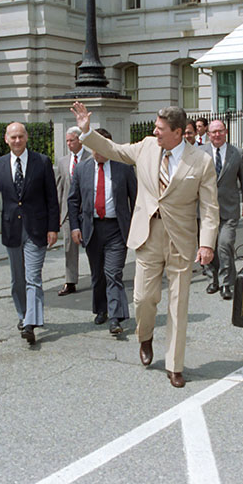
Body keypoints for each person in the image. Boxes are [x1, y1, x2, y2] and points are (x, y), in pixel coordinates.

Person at [71, 102, 219, 389]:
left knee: (178, 306)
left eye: (161, 129)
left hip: (181, 239)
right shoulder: (147, 147)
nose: (155, 132)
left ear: (178, 132)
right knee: (143, 299)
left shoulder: (200, 161)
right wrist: (86, 130)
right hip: (148, 235)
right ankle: (145, 335)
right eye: (156, 127)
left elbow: (210, 208)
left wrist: (207, 244)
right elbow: (115, 150)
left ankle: (175, 365)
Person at [0, 122, 60, 345]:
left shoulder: (41, 162)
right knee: (18, 279)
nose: (17, 141)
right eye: (13, 137)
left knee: (33, 277)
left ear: (27, 138)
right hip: (12, 230)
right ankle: (23, 315)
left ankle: (30, 323)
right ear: (6, 139)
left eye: (20, 136)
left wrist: (53, 227)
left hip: (36, 229)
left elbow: (51, 198)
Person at [67, 128, 137, 335]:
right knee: (97, 274)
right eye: (94, 147)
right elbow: (73, 200)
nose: (98, 151)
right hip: (92, 229)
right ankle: (101, 309)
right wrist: (75, 226)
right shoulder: (82, 170)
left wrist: (136, 226)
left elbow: (135, 198)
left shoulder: (123, 168)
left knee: (113, 273)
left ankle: (116, 318)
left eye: (102, 146)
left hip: (116, 228)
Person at [201, 119, 243, 300]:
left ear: (226, 132)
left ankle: (226, 283)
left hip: (229, 209)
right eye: (213, 132)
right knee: (209, 246)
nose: (217, 135)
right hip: (205, 210)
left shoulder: (236, 153)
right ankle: (212, 279)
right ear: (208, 135)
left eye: (220, 131)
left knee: (225, 244)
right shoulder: (200, 153)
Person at [54, 126, 91, 296]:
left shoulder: (90, 157)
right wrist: (58, 213)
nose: (69, 144)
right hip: (69, 212)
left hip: (88, 211)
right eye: (67, 141)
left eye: (72, 140)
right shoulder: (62, 162)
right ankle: (70, 281)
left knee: (93, 247)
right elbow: (60, 188)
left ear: (80, 140)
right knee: (69, 247)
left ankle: (100, 276)